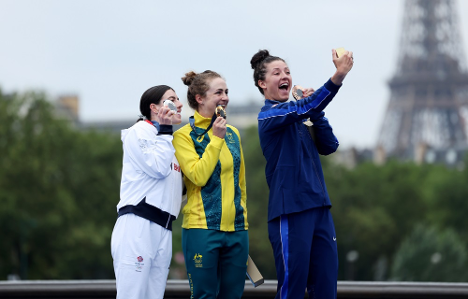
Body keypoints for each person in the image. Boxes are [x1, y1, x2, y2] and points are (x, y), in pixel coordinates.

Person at [250, 49, 354, 299]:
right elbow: (303, 107)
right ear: (262, 83)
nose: (285, 75)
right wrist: (338, 75)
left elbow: (330, 146)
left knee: (326, 288)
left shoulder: (300, 116)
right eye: (277, 73)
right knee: (292, 289)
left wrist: (316, 112)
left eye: (287, 71)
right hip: (291, 210)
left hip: (319, 207)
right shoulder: (269, 115)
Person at [173, 70, 249, 299]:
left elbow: (241, 183)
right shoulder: (184, 136)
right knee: (204, 296)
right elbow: (198, 176)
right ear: (200, 98)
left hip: (237, 230)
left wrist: (243, 219)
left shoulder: (233, 133)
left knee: (233, 296)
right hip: (202, 229)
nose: (225, 97)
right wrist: (215, 139)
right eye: (219, 92)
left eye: (226, 92)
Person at [111, 85, 184, 299]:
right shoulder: (140, 132)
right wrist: (164, 130)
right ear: (154, 107)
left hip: (164, 228)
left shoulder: (168, 139)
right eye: (172, 99)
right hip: (138, 224)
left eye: (179, 99)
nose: (179, 104)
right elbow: (158, 168)